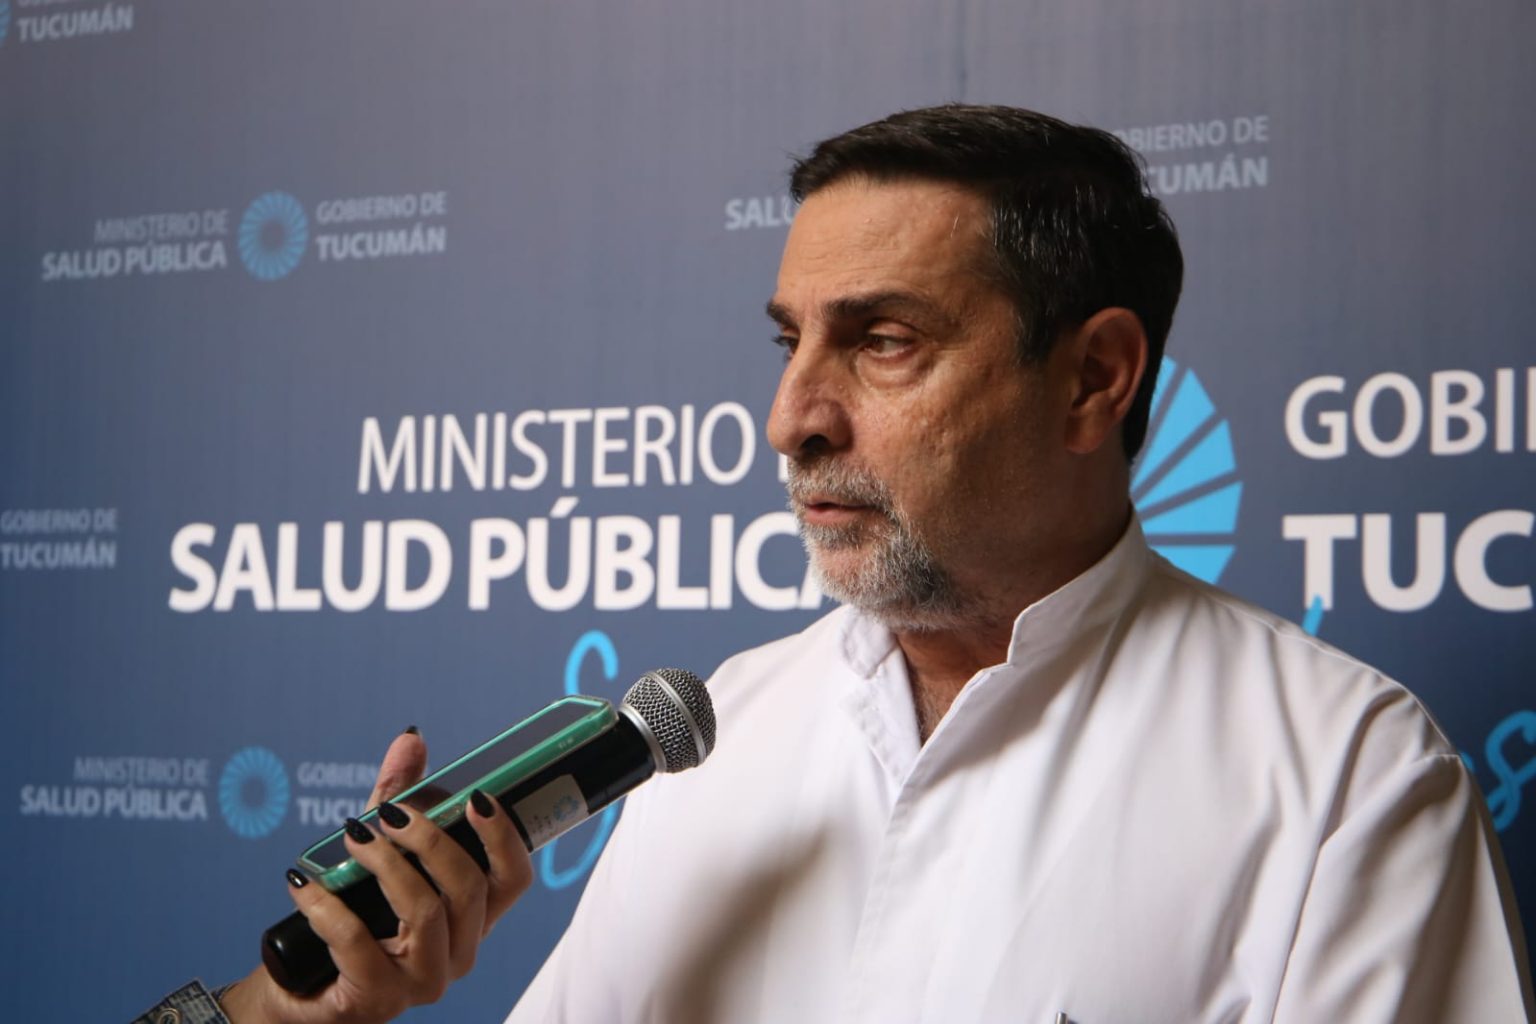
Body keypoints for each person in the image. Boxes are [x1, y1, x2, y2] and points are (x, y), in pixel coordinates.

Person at [136, 105, 1534, 1024]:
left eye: (883, 343)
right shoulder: (718, 735)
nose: (792, 416)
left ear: (1092, 379)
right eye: (789, 339)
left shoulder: (1346, 776)